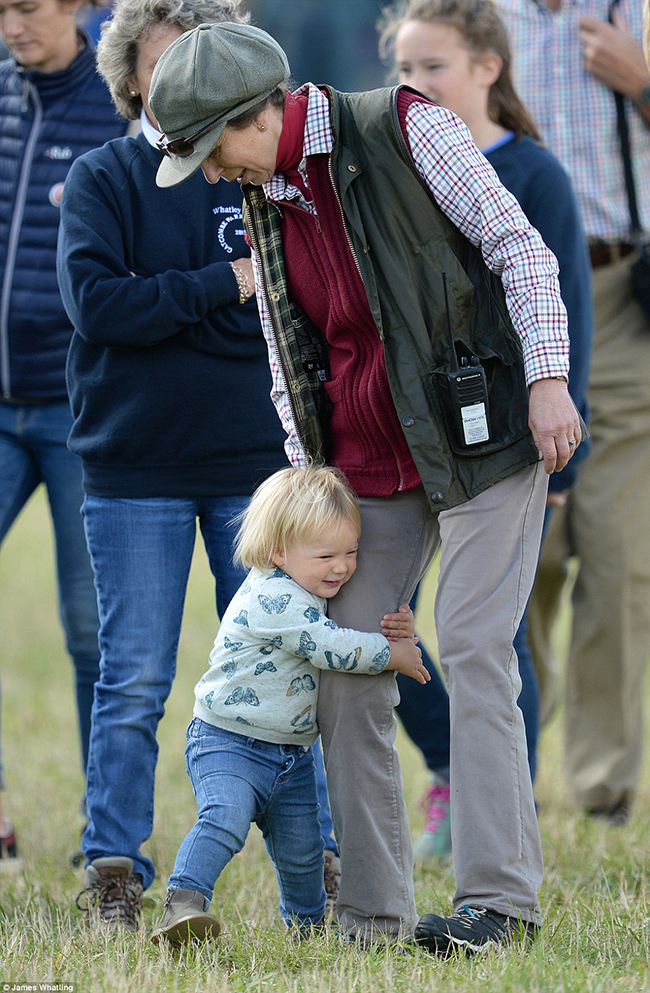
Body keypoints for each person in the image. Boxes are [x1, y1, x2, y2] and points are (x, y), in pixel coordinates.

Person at [149, 21, 582, 953]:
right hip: (365, 463)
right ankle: (372, 917)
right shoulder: (267, 193)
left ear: (252, 119)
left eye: (208, 151)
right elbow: (285, 350)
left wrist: (548, 377)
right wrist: (307, 470)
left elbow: (520, 249)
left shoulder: (405, 126)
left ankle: (497, 905)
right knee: (347, 669)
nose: (211, 175)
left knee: (469, 647)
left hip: (485, 439)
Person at [55, 0, 294, 931]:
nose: (192, 76)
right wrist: (220, 288)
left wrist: (178, 306)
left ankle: (312, 862)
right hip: (134, 466)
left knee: (277, 667)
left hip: (252, 463)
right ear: (133, 77)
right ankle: (115, 865)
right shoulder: (103, 176)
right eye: (171, 60)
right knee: (135, 679)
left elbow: (284, 306)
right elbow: (102, 310)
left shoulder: (257, 172)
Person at [377, 0, 593, 851]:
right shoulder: (400, 165)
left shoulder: (535, 172)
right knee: (386, 624)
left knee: (496, 636)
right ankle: (450, 769)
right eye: (404, 70)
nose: (416, 84)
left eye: (434, 67)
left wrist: (562, 467)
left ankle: (501, 815)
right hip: (416, 434)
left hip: (511, 439)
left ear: (487, 68)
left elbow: (563, 305)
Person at [150, 465, 427, 946]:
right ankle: (183, 904)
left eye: (351, 552)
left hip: (291, 756)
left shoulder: (312, 585)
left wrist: (394, 629)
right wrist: (391, 656)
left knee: (304, 851)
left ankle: (306, 927)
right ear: (278, 551)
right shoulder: (275, 598)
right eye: (326, 555)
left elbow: (348, 626)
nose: (341, 567)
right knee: (225, 817)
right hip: (228, 741)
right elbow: (328, 645)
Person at [498, 0, 650, 827]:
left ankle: (602, 788)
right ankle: (512, 756)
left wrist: (645, 81)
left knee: (622, 553)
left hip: (623, 293)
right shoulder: (481, 18)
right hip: (506, 303)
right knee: (530, 553)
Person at [0, 0, 127, 864]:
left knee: (92, 631)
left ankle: (103, 838)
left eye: (30, 6)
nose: (12, 23)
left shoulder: (121, 101)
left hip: (82, 411)